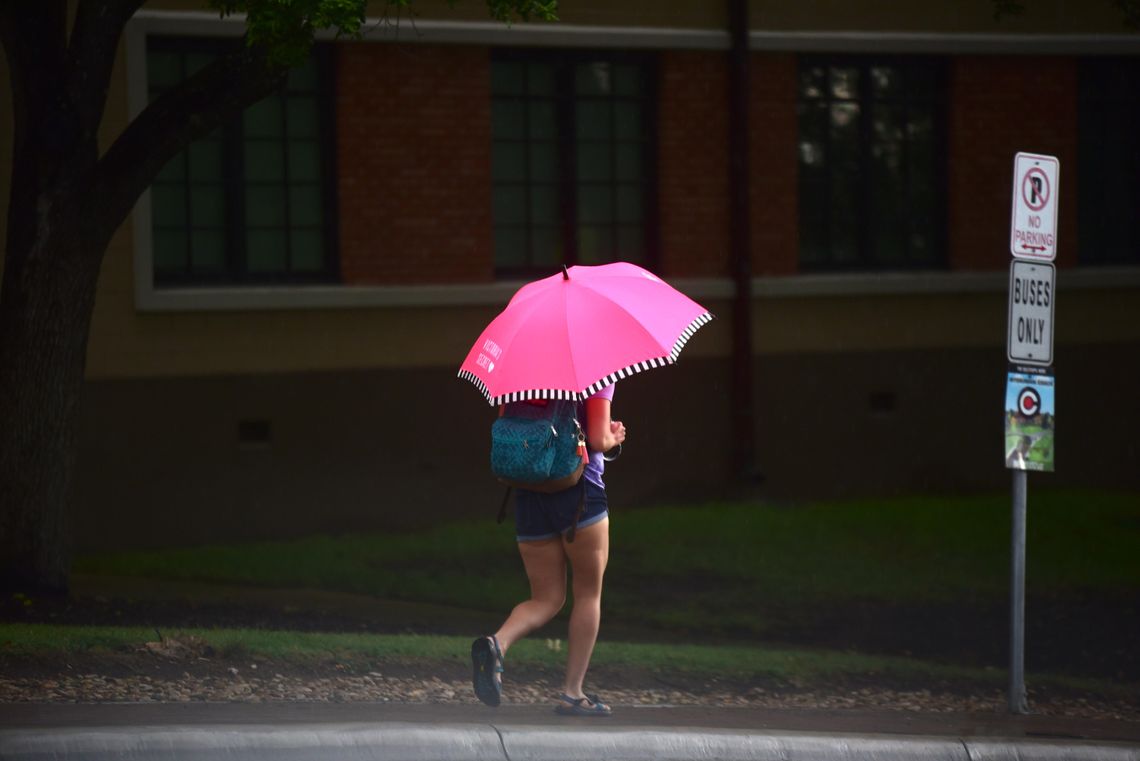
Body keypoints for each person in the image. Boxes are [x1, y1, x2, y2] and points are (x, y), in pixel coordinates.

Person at [471, 383, 626, 716]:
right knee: (587, 594)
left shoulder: (521, 374)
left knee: (545, 599)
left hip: (529, 494)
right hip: (579, 494)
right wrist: (615, 437)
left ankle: (497, 643)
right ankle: (572, 693)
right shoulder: (595, 372)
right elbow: (597, 440)